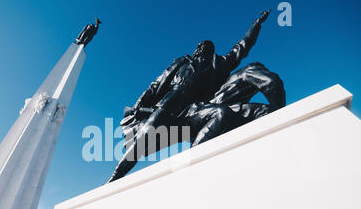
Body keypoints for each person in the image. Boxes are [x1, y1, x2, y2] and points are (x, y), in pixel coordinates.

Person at [107, 10, 278, 183]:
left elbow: (241, 47)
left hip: (196, 110)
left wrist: (256, 25)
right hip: (169, 105)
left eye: (206, 46)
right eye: (200, 46)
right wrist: (138, 107)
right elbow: (156, 85)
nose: (201, 47)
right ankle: (114, 178)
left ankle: (193, 164)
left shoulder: (218, 63)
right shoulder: (181, 62)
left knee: (221, 113)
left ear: (211, 51)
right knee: (145, 134)